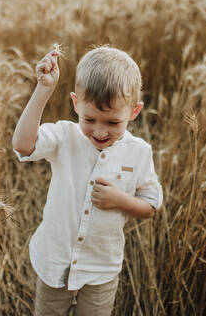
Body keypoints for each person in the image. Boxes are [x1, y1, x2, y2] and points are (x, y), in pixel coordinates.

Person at [12, 46, 163, 315]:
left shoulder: (139, 152)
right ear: (75, 104)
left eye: (113, 122)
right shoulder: (65, 137)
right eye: (89, 119)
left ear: (134, 111)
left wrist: (121, 201)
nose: (100, 131)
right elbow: (23, 145)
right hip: (54, 262)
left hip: (100, 269)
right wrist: (43, 90)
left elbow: (150, 206)